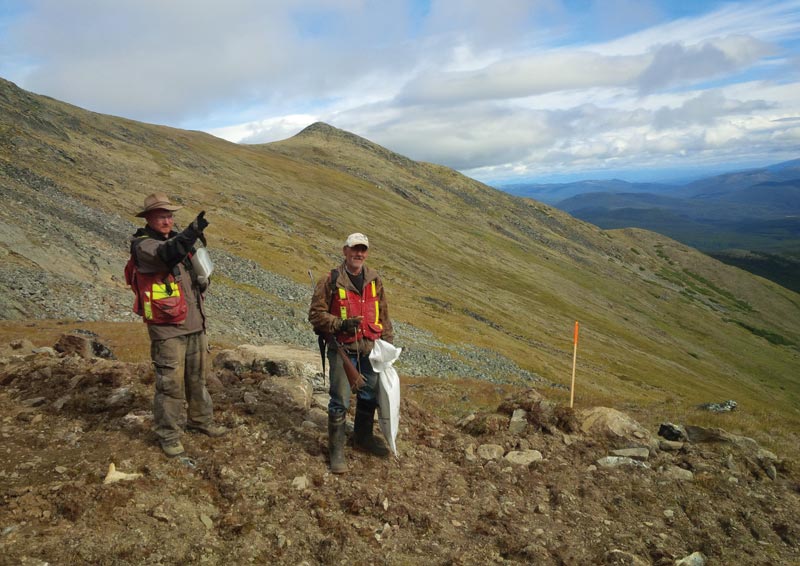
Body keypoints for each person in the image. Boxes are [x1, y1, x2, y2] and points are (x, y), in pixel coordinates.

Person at [127, 193, 227, 457]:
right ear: (148, 218)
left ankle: (200, 421)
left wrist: (203, 273)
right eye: (161, 216)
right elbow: (165, 256)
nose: (167, 220)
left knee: (197, 379)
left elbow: (199, 275)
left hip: (195, 323)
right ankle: (168, 434)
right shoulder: (143, 245)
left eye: (170, 215)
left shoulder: (179, 243)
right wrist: (190, 233)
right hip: (168, 329)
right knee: (170, 384)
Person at [309, 233, 394, 473]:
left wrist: (388, 345)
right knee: (340, 401)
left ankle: (362, 438)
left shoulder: (374, 280)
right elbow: (315, 315)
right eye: (354, 249)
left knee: (369, 396)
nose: (359, 254)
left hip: (371, 349)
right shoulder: (331, 280)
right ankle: (336, 452)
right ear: (345, 250)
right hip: (342, 349)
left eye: (363, 250)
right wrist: (339, 325)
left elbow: (384, 315)